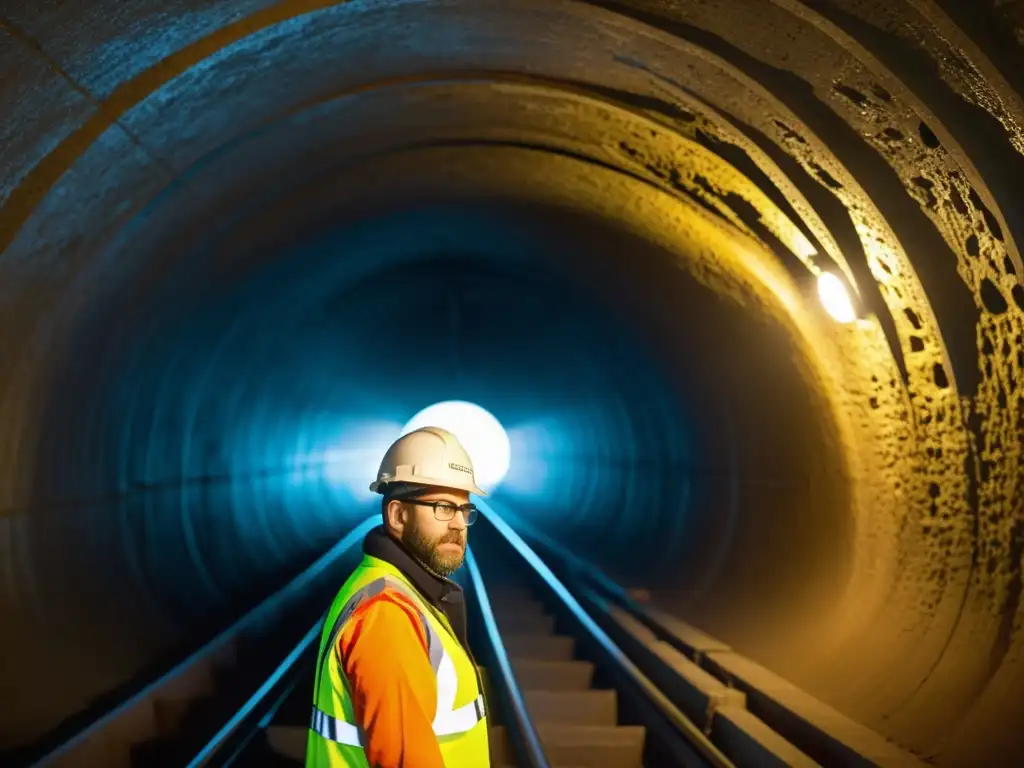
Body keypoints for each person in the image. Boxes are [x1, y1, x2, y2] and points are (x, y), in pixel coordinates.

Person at [306, 426, 491, 767]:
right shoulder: (386, 614)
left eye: (464, 510)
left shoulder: (400, 592)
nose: (458, 525)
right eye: (442, 507)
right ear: (398, 515)